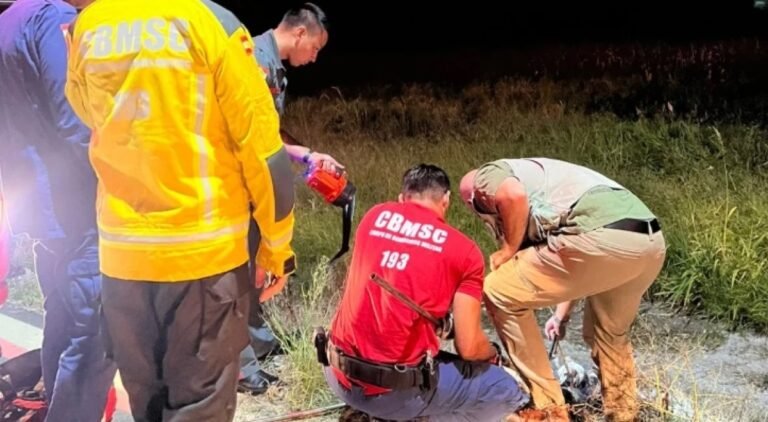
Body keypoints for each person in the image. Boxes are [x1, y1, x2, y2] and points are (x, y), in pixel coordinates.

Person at [65, 0, 298, 420]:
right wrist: (277, 249)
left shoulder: (90, 25)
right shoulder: (210, 22)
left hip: (122, 260)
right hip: (202, 263)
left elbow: (85, 111)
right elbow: (266, 157)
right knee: (200, 406)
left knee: (146, 403)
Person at [459, 157, 667, 422]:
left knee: (498, 292)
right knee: (608, 334)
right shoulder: (549, 184)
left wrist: (508, 249)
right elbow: (570, 268)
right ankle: (624, 414)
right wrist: (560, 316)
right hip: (647, 242)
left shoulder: (486, 177)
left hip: (600, 236)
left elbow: (512, 194)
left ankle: (550, 411)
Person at [320, 164, 529, 421]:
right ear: (446, 200)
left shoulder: (373, 217)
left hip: (336, 373)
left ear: (401, 198)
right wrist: (494, 356)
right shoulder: (464, 252)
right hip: (392, 394)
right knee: (505, 389)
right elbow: (469, 347)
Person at [0, 0, 117, 420]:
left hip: (42, 208)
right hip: (77, 206)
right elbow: (78, 124)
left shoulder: (9, 19)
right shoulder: (52, 21)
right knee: (92, 341)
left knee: (61, 323)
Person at [239, 2, 344, 394]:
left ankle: (258, 342)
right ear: (299, 33)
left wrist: (306, 156)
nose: (314, 58)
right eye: (315, 48)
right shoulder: (254, 61)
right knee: (238, 276)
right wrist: (302, 157)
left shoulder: (273, 66)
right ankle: (242, 370)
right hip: (240, 186)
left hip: (254, 184)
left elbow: (272, 131)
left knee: (251, 268)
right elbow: (253, 135)